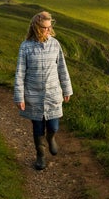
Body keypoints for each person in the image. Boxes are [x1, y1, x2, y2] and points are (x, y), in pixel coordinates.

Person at [14, 11, 73, 170]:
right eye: (45, 28)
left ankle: (51, 137)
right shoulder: (25, 47)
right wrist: (20, 97)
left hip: (53, 94)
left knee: (53, 126)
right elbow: (20, 73)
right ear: (36, 27)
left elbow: (62, 68)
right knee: (37, 127)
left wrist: (67, 89)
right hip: (33, 95)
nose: (48, 30)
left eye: (49, 27)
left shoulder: (55, 44)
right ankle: (40, 156)